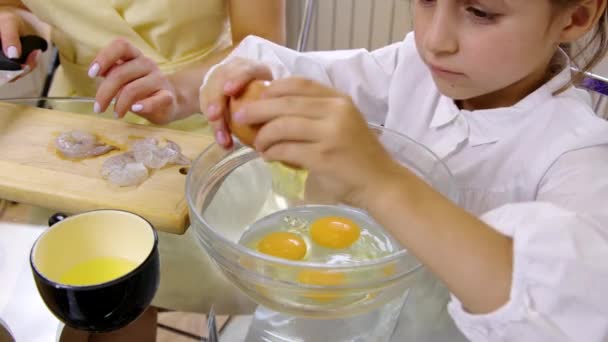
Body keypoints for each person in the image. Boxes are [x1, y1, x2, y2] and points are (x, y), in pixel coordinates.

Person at [199, 0, 608, 340]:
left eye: (481, 12)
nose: (434, 40)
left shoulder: (579, 155)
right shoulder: (409, 67)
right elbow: (306, 73)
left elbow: (571, 307)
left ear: (575, 17)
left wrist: (380, 181)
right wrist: (237, 83)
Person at [0, 1, 285, 340]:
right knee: (70, 289)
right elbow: (19, 6)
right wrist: (14, 20)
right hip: (77, 125)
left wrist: (177, 87)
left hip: (201, 120)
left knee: (122, 284)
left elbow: (266, 47)